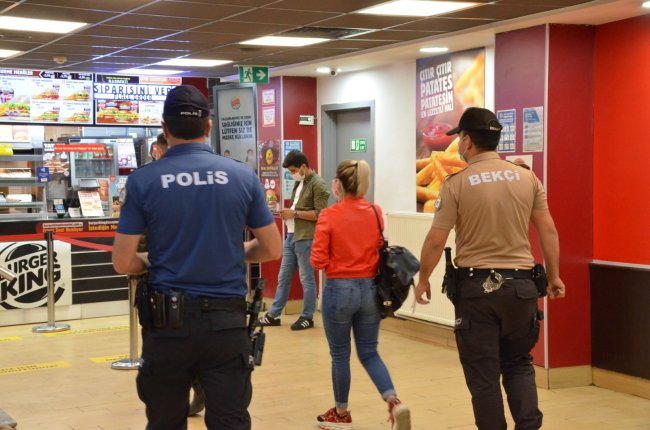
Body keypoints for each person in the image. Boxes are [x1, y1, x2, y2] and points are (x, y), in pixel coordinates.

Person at [112, 85, 282, 430]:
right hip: (227, 325)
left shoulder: (143, 181)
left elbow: (123, 262)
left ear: (164, 128)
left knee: (165, 421)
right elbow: (271, 248)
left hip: (167, 326)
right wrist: (232, 252)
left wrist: (152, 260)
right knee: (230, 421)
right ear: (209, 125)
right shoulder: (242, 176)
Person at [414, 107, 566, 430]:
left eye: (460, 138)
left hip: (476, 292)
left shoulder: (456, 184)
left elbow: (436, 240)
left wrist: (423, 279)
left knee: (483, 375)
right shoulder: (527, 178)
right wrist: (554, 276)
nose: (459, 144)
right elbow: (548, 231)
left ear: (467, 140)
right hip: (522, 290)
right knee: (519, 364)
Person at [311, 160, 411, 430]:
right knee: (369, 352)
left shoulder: (329, 215)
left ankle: (341, 414)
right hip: (370, 291)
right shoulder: (375, 212)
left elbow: (317, 261)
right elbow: (378, 245)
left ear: (338, 184)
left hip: (339, 291)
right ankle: (394, 401)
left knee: (340, 355)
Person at [137, 132, 206, 417]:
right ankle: (198, 387)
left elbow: (136, 240)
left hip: (164, 279)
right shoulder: (204, 178)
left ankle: (192, 390)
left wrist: (140, 258)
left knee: (169, 346)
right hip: (197, 276)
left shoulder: (148, 180)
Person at [257, 150, 329, 330]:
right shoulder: (299, 182)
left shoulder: (319, 185)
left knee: (307, 279)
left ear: (303, 166)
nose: (292, 174)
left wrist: (294, 213)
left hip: (306, 238)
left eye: (293, 170)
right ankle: (274, 314)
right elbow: (297, 208)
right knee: (283, 277)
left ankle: (307, 317)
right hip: (291, 236)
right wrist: (288, 214)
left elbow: (320, 214)